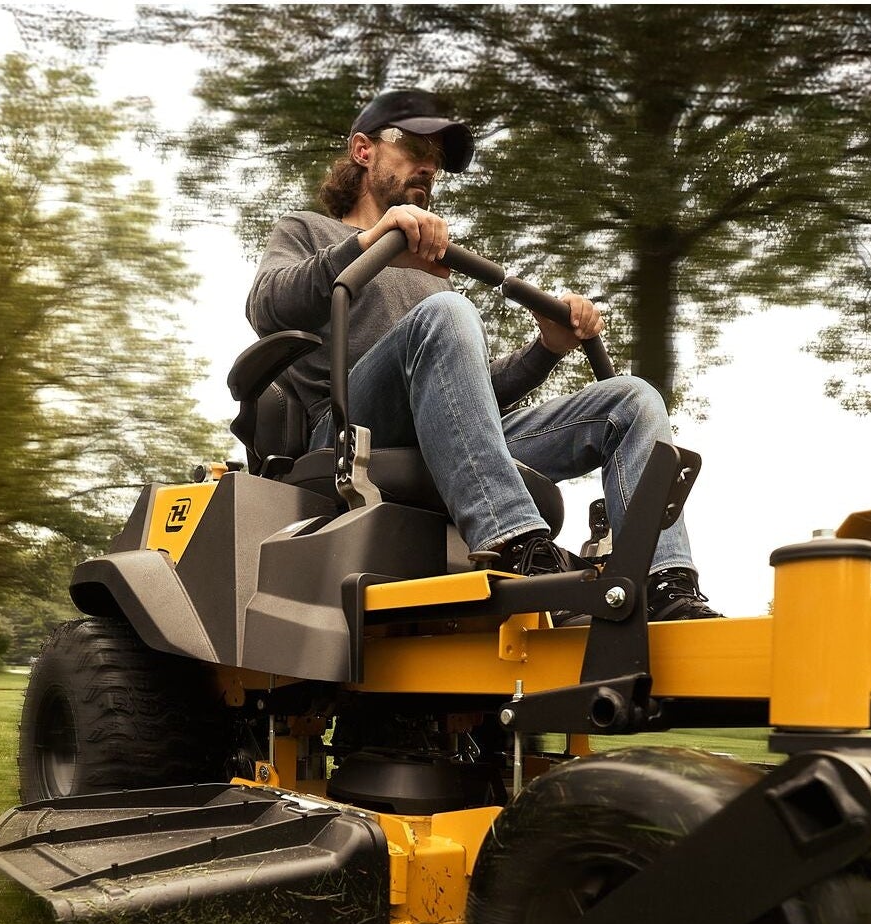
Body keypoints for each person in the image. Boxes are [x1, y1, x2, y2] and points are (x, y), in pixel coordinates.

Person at [245, 88, 719, 620]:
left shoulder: (431, 279)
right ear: (363, 150)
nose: (428, 166)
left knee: (631, 400)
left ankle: (665, 582)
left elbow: (467, 400)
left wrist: (547, 348)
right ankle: (516, 544)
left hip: (448, 439)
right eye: (413, 147)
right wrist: (369, 242)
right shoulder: (308, 231)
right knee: (448, 312)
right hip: (349, 431)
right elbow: (266, 306)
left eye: (437, 160)